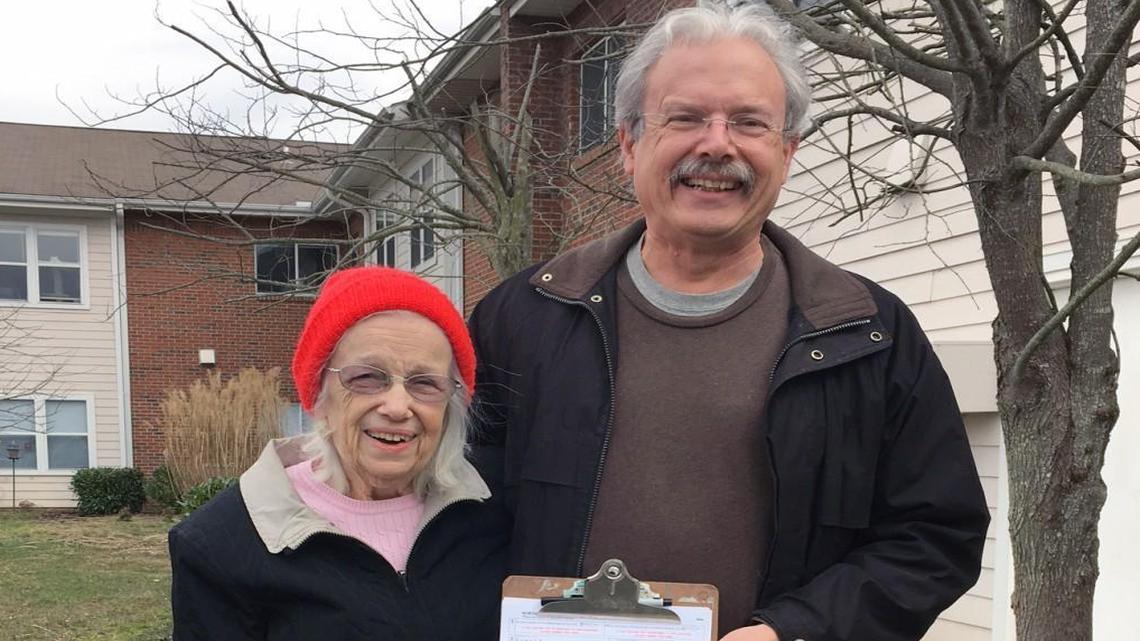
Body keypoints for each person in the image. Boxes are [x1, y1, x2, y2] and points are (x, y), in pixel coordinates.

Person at [467, 3, 990, 641]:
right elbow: (454, 517)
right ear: (631, 145)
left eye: (749, 122)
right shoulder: (523, 318)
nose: (717, 144)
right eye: (685, 117)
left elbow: (935, 536)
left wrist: (793, 631)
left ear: (788, 151)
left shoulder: (870, 333)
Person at [169, 267, 507, 640]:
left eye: (425, 383)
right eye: (366, 377)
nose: (397, 406)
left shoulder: (493, 510)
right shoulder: (222, 542)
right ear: (319, 393)